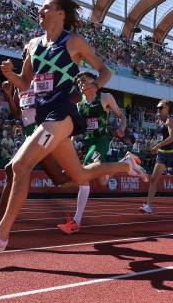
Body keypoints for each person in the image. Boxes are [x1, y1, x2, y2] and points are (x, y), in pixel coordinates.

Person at [0, 0, 146, 251]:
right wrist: (9, 75)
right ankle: (124, 165)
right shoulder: (34, 44)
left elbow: (106, 71)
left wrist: (94, 85)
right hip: (43, 115)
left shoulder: (73, 43)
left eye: (46, 7)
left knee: (19, 166)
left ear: (61, 13)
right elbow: (26, 83)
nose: (40, 10)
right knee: (79, 174)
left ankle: (0, 235)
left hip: (61, 114)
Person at [58, 71, 144, 234]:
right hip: (87, 143)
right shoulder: (79, 103)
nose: (82, 84)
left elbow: (122, 116)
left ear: (94, 82)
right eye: (79, 82)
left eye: (85, 81)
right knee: (102, 181)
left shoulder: (105, 97)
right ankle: (125, 162)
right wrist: (70, 141)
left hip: (101, 142)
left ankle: (76, 221)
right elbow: (77, 127)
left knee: (83, 175)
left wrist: (121, 127)